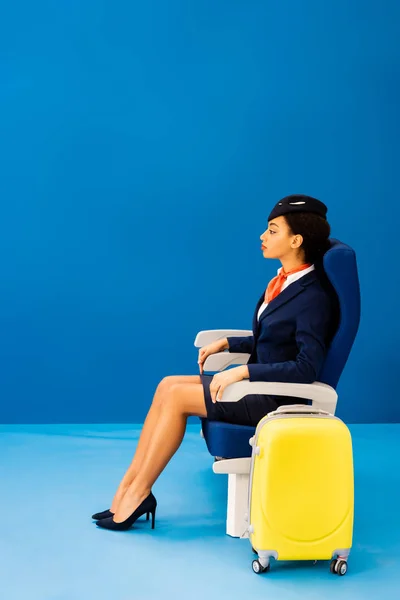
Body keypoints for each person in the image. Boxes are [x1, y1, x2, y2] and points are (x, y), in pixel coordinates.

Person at [93, 194, 335, 531]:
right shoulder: (286, 281)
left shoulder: (312, 296)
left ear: (296, 240)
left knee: (177, 397)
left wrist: (243, 369)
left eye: (272, 231)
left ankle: (139, 493)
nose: (263, 237)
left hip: (273, 399)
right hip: (256, 387)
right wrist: (230, 343)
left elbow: (306, 366)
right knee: (167, 385)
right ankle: (127, 490)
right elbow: (276, 340)